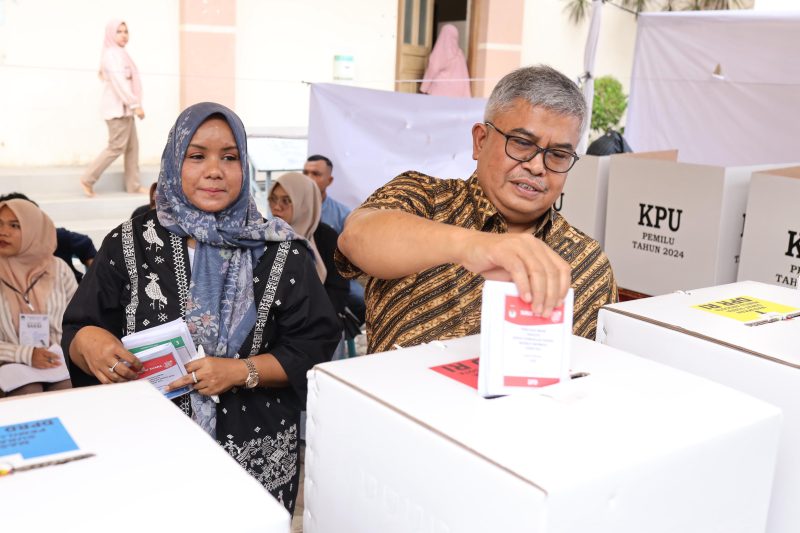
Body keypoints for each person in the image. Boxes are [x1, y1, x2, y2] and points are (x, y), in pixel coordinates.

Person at [62, 102, 341, 513]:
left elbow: (314, 344)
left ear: (244, 165)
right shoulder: (130, 243)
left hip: (254, 455)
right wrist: (95, 347)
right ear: (175, 162)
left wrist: (239, 371)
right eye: (197, 156)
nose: (215, 170)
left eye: (229, 157)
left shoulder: (279, 251)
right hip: (150, 449)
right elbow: (81, 325)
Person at [337, 65, 618, 354]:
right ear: (480, 141)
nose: (537, 166)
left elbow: (597, 370)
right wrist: (473, 246)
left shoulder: (588, 263)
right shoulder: (423, 199)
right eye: (522, 144)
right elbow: (356, 237)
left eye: (558, 155)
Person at [0, 199, 76, 396]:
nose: (3, 231)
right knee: (28, 392)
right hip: (8, 365)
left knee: (68, 391)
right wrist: (26, 354)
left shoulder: (58, 269)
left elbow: (77, 321)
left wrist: (60, 353)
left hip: (57, 361)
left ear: (34, 229)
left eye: (15, 225)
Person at [80, 19, 147, 197]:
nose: (124, 35)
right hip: (117, 110)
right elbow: (119, 83)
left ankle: (133, 185)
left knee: (133, 147)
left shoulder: (121, 53)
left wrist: (133, 106)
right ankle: (87, 179)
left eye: (126, 31)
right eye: (119, 31)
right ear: (111, 34)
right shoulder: (111, 55)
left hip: (126, 110)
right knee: (116, 147)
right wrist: (135, 104)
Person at [268, 172, 349, 315]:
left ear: (304, 203)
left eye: (286, 200)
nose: (276, 207)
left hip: (318, 325)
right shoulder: (267, 236)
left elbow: (337, 291)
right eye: (273, 199)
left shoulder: (325, 237)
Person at [303, 154, 366, 325]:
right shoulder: (288, 208)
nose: (309, 179)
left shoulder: (342, 214)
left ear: (329, 180)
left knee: (363, 300)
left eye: (316, 174)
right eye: (305, 173)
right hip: (299, 276)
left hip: (335, 279)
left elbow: (351, 257)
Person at [0, 192, 97, 283]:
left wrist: (95, 281)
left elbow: (86, 246)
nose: (4, 232)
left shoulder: (58, 261)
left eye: (14, 225)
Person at [420, 24, 472, 98]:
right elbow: (465, 76)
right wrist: (467, 95)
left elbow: (432, 69)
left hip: (440, 91)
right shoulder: (460, 54)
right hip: (457, 93)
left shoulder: (440, 51)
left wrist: (424, 88)